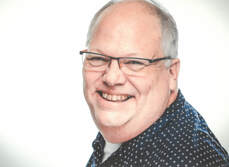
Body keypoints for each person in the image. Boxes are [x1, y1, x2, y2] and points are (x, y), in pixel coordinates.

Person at [80, 0, 229, 166]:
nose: (111, 78)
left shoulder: (186, 161)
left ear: (172, 73)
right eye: (98, 58)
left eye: (134, 62)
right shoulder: (138, 129)